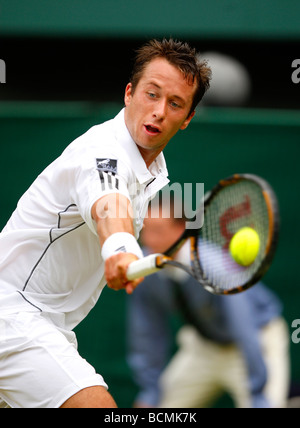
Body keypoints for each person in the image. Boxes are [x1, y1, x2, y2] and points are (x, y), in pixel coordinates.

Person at [0, 39, 211, 408]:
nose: (159, 111)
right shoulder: (102, 152)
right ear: (129, 93)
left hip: (47, 326)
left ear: (188, 118)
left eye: (175, 103)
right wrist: (120, 249)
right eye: (152, 94)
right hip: (13, 315)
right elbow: (107, 204)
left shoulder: (153, 171)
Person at [127, 200, 290, 408]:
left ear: (182, 230)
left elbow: (245, 327)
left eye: (158, 231)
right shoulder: (146, 269)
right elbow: (147, 331)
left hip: (256, 341)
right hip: (204, 346)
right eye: (145, 231)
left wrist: (258, 392)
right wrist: (150, 391)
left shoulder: (215, 267)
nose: (149, 240)